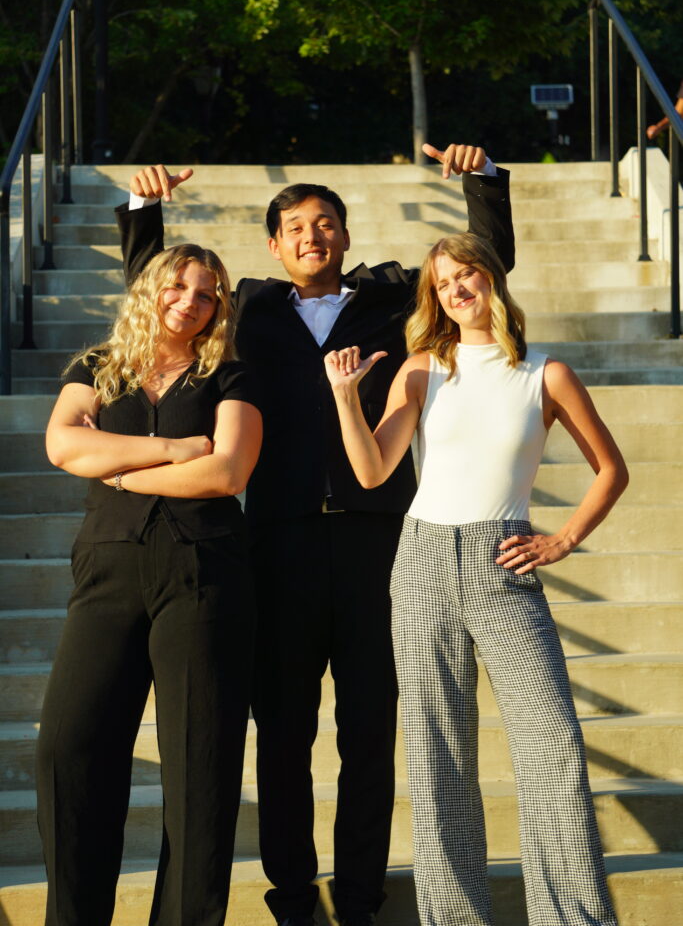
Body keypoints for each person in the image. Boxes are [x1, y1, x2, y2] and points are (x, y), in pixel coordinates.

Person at [115, 142, 515, 926]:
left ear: (343, 235)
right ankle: (294, 900)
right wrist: (145, 213)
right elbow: (156, 299)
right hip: (277, 543)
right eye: (295, 225)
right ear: (272, 245)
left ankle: (359, 899)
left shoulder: (393, 296)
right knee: (285, 735)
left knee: (369, 730)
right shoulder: (250, 310)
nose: (312, 235)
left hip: (379, 543)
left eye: (325, 222)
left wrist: (482, 180)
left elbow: (482, 271)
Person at [323, 231, 628, 926]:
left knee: (551, 744)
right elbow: (372, 471)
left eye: (467, 274)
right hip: (423, 559)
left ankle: (573, 917)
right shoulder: (421, 368)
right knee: (437, 754)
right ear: (433, 297)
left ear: (491, 279)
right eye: (443, 282)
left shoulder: (545, 374)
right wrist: (345, 397)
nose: (458, 289)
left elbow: (610, 470)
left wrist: (563, 538)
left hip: (504, 555)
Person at [36, 244, 263, 926]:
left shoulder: (230, 374)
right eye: (178, 287)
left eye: (206, 294)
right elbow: (62, 445)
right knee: (67, 748)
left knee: (200, 766)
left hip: (203, 573)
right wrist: (170, 451)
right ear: (150, 291)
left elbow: (226, 474)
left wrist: (122, 470)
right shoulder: (99, 366)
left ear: (218, 306)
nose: (189, 302)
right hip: (108, 567)